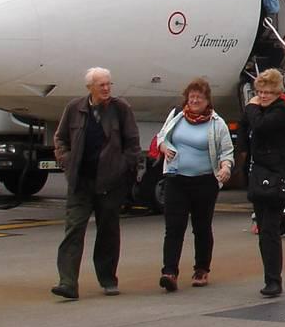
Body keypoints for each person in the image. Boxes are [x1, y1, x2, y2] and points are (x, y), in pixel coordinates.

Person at [51, 68, 140, 298]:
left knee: (108, 232)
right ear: (89, 87)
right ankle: (68, 282)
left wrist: (122, 167)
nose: (107, 89)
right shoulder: (75, 108)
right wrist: (66, 160)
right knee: (73, 230)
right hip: (80, 181)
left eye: (109, 84)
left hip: (110, 183)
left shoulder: (121, 109)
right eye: (102, 85)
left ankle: (108, 278)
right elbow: (60, 138)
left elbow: (132, 144)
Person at [155, 78, 234, 292]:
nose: (194, 101)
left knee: (201, 227)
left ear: (207, 100)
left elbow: (227, 151)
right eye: (191, 98)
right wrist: (164, 147)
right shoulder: (176, 117)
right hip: (176, 179)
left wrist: (225, 167)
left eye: (199, 98)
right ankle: (169, 271)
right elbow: (161, 136)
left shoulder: (217, 123)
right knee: (174, 228)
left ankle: (201, 269)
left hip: (204, 181)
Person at [242, 68, 285, 297]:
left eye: (268, 92)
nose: (263, 96)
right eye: (260, 92)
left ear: (277, 92)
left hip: (277, 174)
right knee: (264, 227)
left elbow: (259, 125)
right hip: (260, 172)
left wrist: (251, 106)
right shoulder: (263, 109)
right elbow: (248, 128)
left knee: (270, 228)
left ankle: (274, 279)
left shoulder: (281, 110)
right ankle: (270, 275)